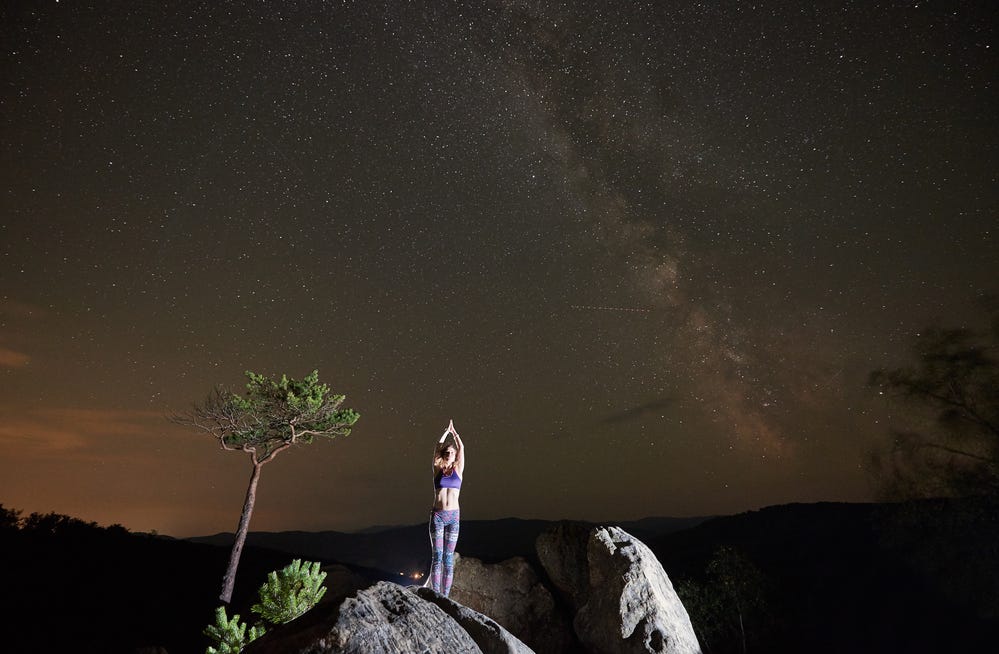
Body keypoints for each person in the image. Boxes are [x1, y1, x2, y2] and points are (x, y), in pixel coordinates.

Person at [429, 419, 464, 597]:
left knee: (448, 560)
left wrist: (455, 434)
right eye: (447, 452)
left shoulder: (459, 470)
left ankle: (445, 596)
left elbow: (462, 448)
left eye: (452, 452)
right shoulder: (438, 469)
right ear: (443, 454)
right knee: (437, 558)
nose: (449, 453)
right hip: (438, 516)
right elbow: (437, 447)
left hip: (454, 517)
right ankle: (436, 595)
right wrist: (446, 432)